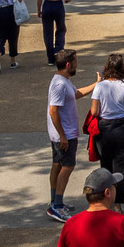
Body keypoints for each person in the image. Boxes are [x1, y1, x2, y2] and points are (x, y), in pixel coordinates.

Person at [90, 53, 124, 204]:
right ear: (122, 68)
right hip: (122, 128)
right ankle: (118, 204)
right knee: (120, 168)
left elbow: (94, 111)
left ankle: (105, 199)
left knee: (105, 166)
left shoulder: (100, 86)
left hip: (105, 130)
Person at [47, 49, 82, 222]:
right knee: (67, 167)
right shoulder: (60, 84)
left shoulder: (64, 81)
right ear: (68, 64)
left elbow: (76, 94)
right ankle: (57, 206)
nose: (77, 64)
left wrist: (97, 84)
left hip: (63, 133)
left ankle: (54, 201)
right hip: (65, 134)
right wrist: (62, 136)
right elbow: (53, 111)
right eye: (75, 62)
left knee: (58, 165)